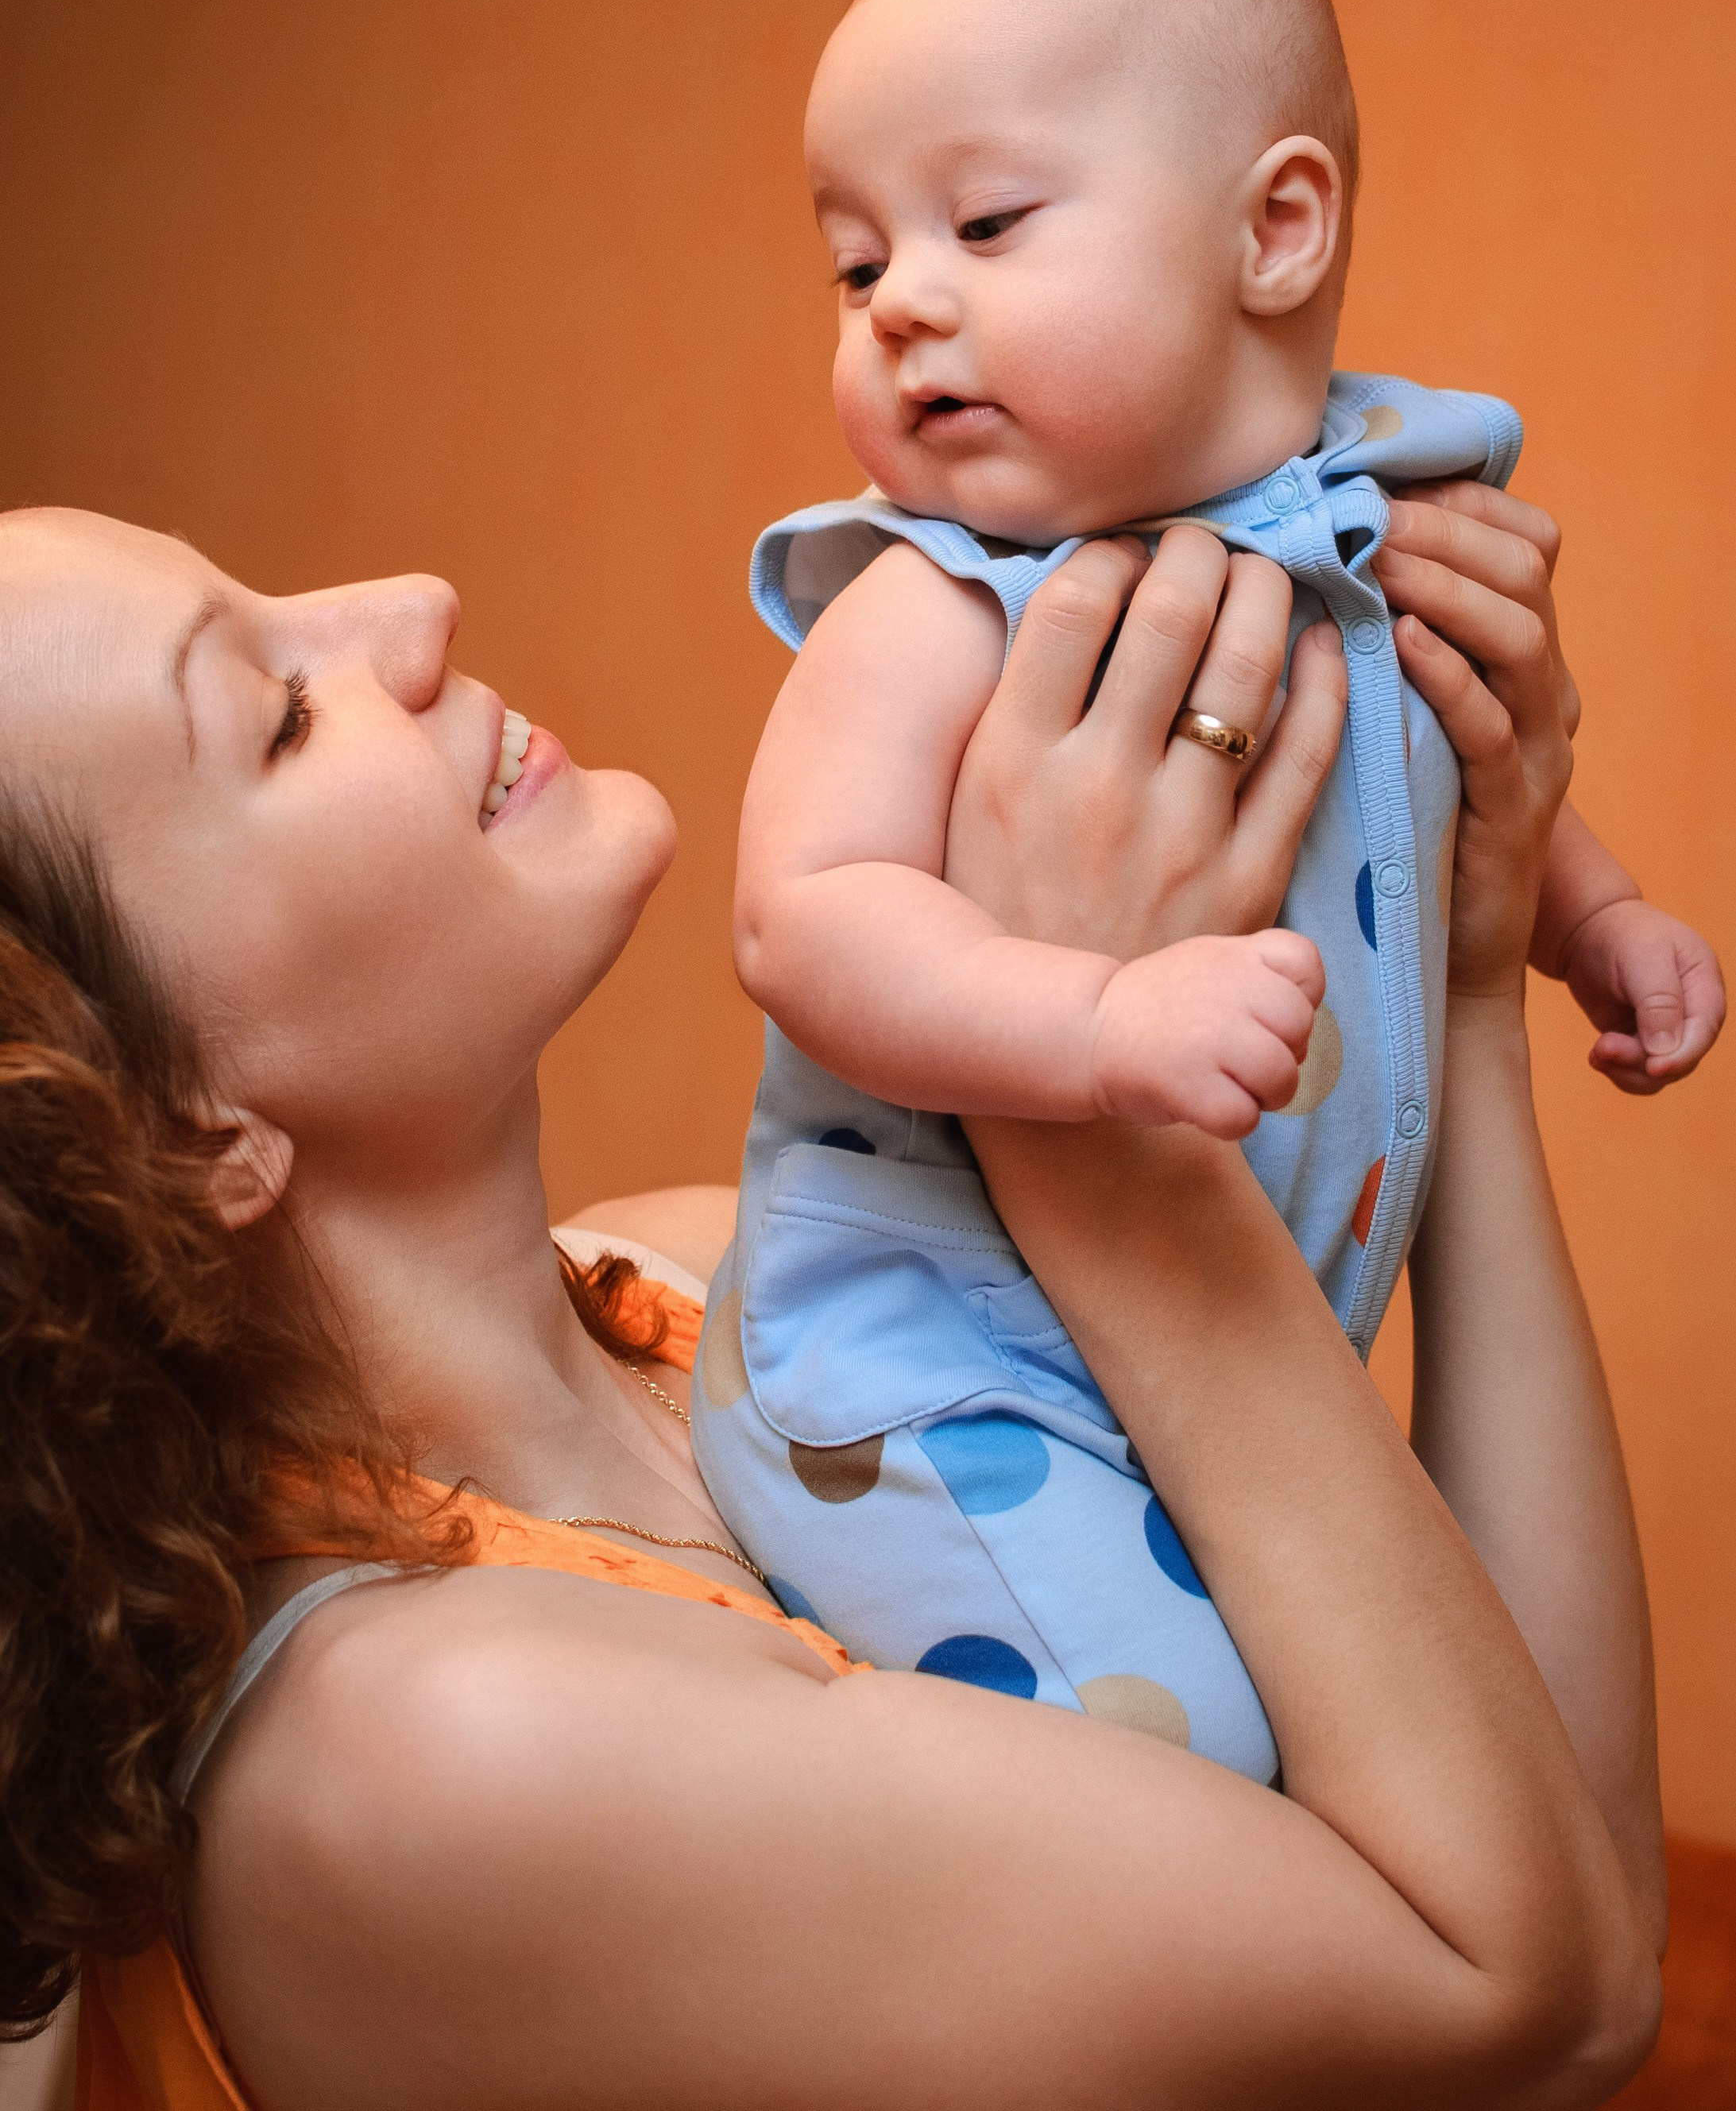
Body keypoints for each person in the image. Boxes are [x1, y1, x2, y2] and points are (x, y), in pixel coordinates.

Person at [0, 498, 1661, 2107]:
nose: (415, 607)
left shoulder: (693, 1282)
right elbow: (1533, 1998)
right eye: (278, 711)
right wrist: (1066, 1110)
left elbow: (1559, 1870)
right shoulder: (433, 1746)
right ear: (180, 1124)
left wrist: (1464, 983)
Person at [696, 0, 1724, 1726]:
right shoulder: (931, 599)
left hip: (1227, 1364)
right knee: (1242, 1764)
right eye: (856, 263)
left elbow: (1447, 766)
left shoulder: (1369, 524)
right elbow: (803, 915)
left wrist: (1593, 918)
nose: (901, 303)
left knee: (1388, 1714)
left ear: (1277, 231)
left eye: (985, 222)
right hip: (951, 1372)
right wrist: (1088, 1014)